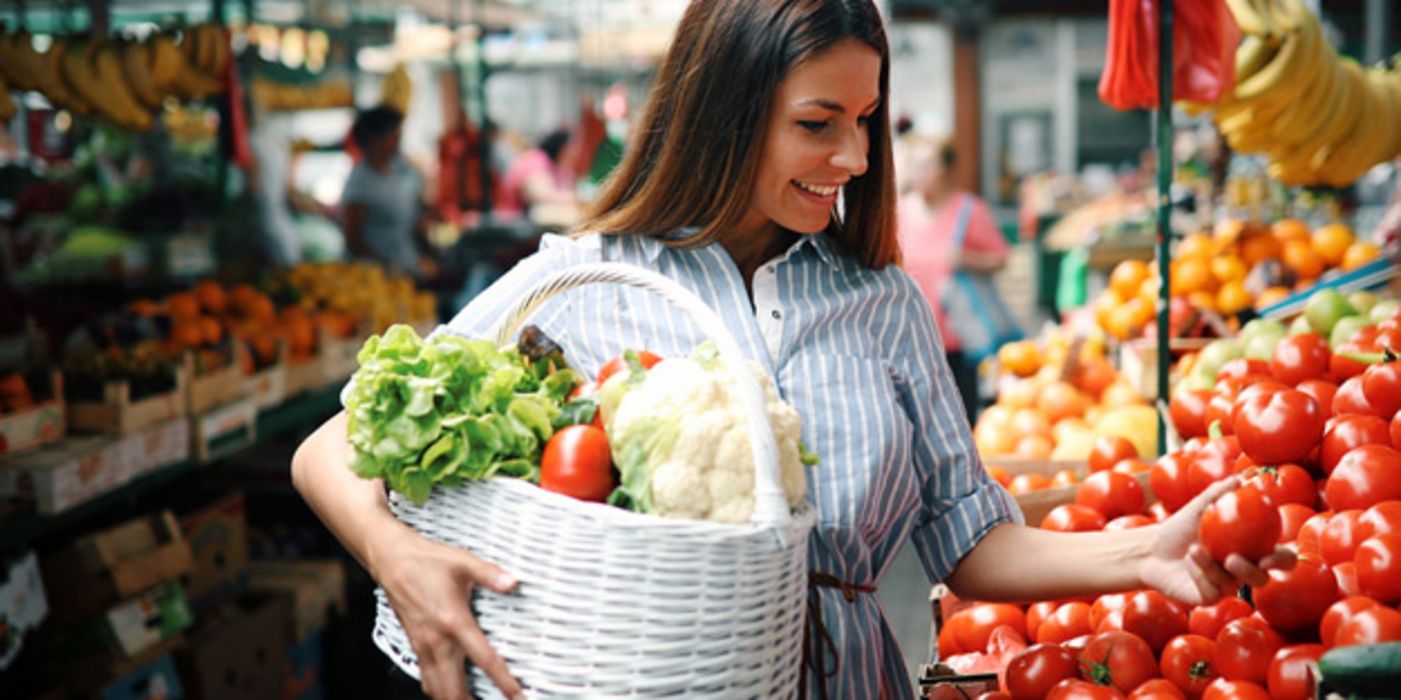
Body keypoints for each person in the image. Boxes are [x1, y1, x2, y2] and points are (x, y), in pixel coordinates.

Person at [291, 2, 1295, 698]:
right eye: (819, 123)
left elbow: (971, 543)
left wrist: (1142, 552)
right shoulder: (583, 283)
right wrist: (402, 560)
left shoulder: (883, 301)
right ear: (723, 117)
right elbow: (330, 445)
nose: (855, 160)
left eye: (865, 123)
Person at [897, 134, 1014, 423]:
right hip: (910, 336)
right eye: (913, 164)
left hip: (959, 338)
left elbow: (1000, 257)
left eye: (927, 165)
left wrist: (966, 259)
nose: (918, 172)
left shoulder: (968, 210)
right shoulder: (897, 211)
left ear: (945, 169)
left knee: (961, 416)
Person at [340, 106, 435, 280]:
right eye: (394, 136)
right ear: (375, 140)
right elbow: (353, 241)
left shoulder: (397, 171)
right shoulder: (360, 182)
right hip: (374, 276)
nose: (398, 141)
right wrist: (387, 266)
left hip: (405, 267)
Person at [495, 128, 579, 227]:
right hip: (514, 224)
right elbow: (540, 196)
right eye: (572, 148)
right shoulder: (536, 159)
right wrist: (577, 199)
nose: (575, 153)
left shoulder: (560, 168)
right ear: (562, 147)